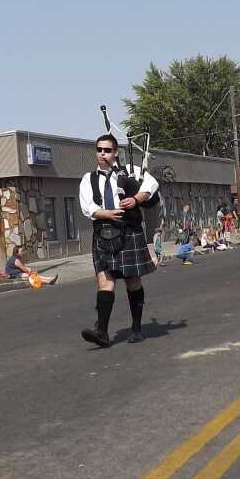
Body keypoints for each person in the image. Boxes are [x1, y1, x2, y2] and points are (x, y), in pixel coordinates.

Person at [79, 132, 159, 347]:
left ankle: (137, 328)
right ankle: (102, 332)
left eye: (107, 150)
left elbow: (151, 184)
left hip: (129, 230)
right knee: (104, 281)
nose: (102, 154)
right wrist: (105, 214)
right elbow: (88, 206)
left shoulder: (129, 171)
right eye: (99, 150)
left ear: (116, 153)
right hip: (103, 232)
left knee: (133, 280)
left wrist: (136, 199)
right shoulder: (88, 179)